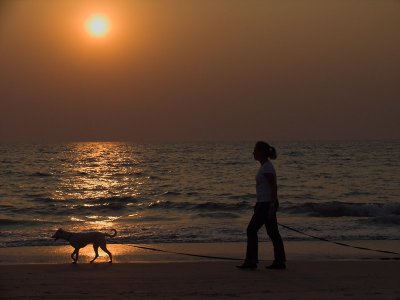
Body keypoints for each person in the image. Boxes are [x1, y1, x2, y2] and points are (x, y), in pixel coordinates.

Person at [237, 141, 286, 270]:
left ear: (261, 152)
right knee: (273, 232)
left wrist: (271, 205)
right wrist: (258, 203)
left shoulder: (267, 168)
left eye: (255, 150)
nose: (253, 153)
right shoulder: (264, 166)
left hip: (266, 204)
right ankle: (279, 261)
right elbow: (264, 188)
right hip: (263, 203)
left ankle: (251, 261)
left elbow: (274, 187)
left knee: (251, 230)